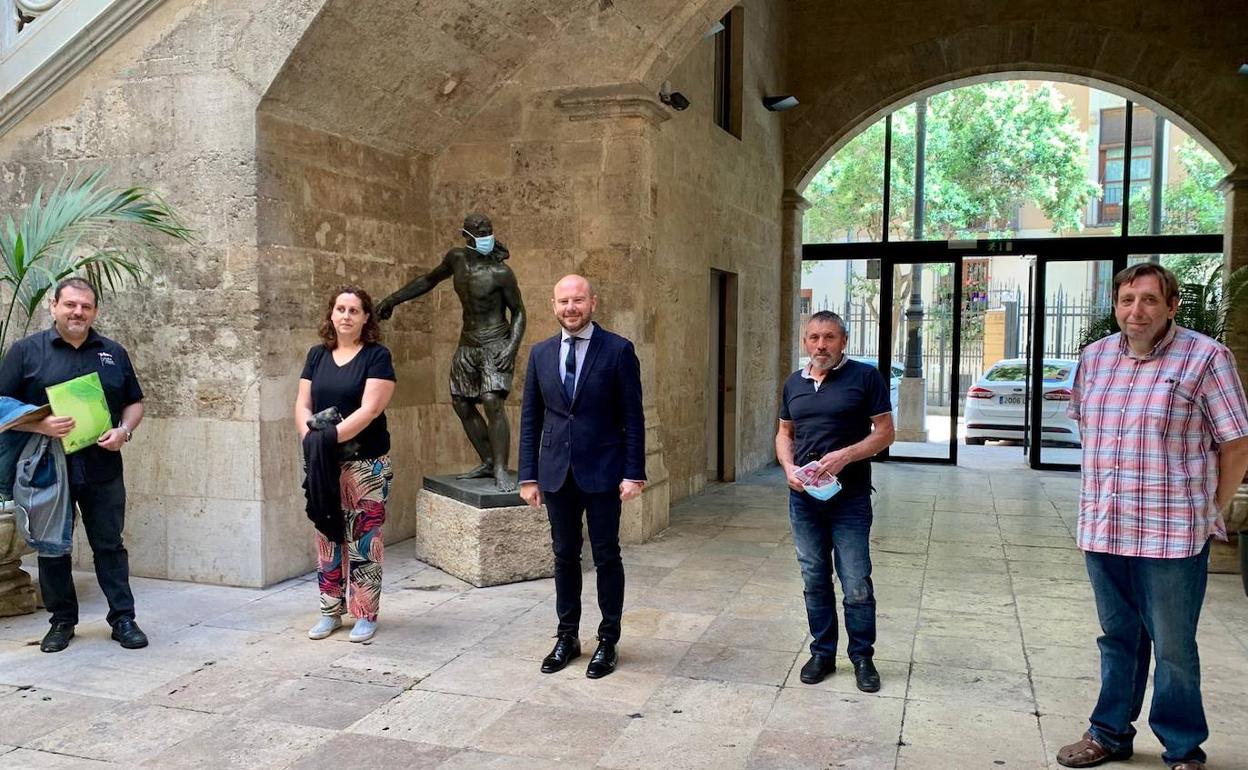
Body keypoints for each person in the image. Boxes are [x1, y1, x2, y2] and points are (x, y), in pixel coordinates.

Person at [1056, 263, 1248, 770]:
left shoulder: (1206, 358)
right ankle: (1109, 732)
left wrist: (1209, 508)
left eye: (1148, 300)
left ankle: (1183, 747)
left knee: (1174, 645)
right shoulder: (1094, 359)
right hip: (1104, 527)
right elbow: (1088, 432)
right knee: (1117, 636)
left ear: (1171, 306)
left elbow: (1237, 445)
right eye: (1126, 300)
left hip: (1171, 533)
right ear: (1115, 304)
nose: (1135, 310)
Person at [0, 277, 147, 653]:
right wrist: (40, 424)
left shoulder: (113, 352)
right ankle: (62, 622)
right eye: (70, 305)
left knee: (110, 545)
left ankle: (124, 619)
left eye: (85, 306)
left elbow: (134, 402)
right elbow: (1, 405)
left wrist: (124, 431)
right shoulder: (26, 352)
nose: (78, 312)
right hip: (47, 471)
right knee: (53, 549)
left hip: (102, 468)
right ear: (54, 306)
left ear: (94, 311)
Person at [518, 275, 645, 679]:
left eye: (577, 300)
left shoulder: (619, 351)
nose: (570, 308)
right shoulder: (540, 354)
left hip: (605, 472)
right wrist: (528, 476)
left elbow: (633, 418)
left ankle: (608, 640)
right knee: (563, 555)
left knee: (607, 555)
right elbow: (530, 419)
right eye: (563, 302)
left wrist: (634, 473)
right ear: (553, 305)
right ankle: (567, 636)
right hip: (556, 473)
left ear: (593, 302)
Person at [775, 310, 894, 692]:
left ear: (844, 340)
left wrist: (845, 456)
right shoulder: (794, 383)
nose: (820, 345)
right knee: (814, 578)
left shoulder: (865, 378)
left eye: (828, 337)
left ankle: (862, 657)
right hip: (804, 498)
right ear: (804, 342)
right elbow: (784, 433)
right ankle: (822, 653)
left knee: (855, 580)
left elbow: (886, 433)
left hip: (850, 498)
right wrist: (788, 466)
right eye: (813, 338)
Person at [375, 213, 525, 491]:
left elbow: (518, 312)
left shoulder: (501, 273)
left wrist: (512, 347)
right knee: (461, 402)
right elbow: (428, 280)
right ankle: (489, 460)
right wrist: (392, 300)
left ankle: (502, 469)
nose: (486, 239)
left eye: (489, 233)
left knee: (492, 400)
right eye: (480, 235)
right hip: (468, 341)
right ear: (467, 237)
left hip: (496, 341)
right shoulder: (456, 259)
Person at [295, 287, 396, 643]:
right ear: (331, 314)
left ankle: (365, 614)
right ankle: (329, 611)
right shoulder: (317, 355)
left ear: (366, 317)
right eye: (340, 308)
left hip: (365, 466)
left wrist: (326, 436)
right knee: (327, 534)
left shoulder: (376, 356)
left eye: (354, 310)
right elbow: (302, 404)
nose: (346, 316)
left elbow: (370, 410)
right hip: (325, 463)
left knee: (364, 539)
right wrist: (311, 439)